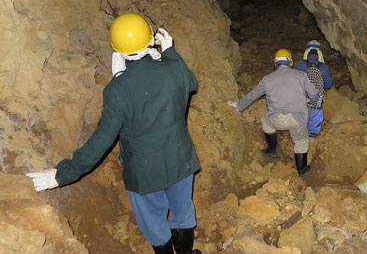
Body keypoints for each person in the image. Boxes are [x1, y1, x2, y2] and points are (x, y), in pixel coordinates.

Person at [26, 13, 202, 254]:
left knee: (154, 224)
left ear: (116, 51)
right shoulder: (174, 69)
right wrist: (169, 52)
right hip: (181, 161)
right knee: (183, 214)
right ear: (152, 40)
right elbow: (191, 82)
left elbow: (102, 140)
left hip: (145, 173)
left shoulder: (117, 90)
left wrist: (61, 175)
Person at [228, 49, 318, 178]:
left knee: (266, 120)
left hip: (277, 120)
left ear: (275, 64)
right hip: (298, 118)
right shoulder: (301, 75)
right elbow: (314, 94)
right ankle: (302, 170)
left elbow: (253, 95)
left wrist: (239, 106)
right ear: (291, 63)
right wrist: (311, 103)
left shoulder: (267, 79)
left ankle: (271, 149)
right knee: (301, 142)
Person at [293, 40, 333, 137]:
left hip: (301, 101)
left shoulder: (299, 64)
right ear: (319, 53)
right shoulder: (323, 67)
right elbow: (328, 85)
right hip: (316, 102)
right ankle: (312, 135)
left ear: (307, 51)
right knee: (315, 116)